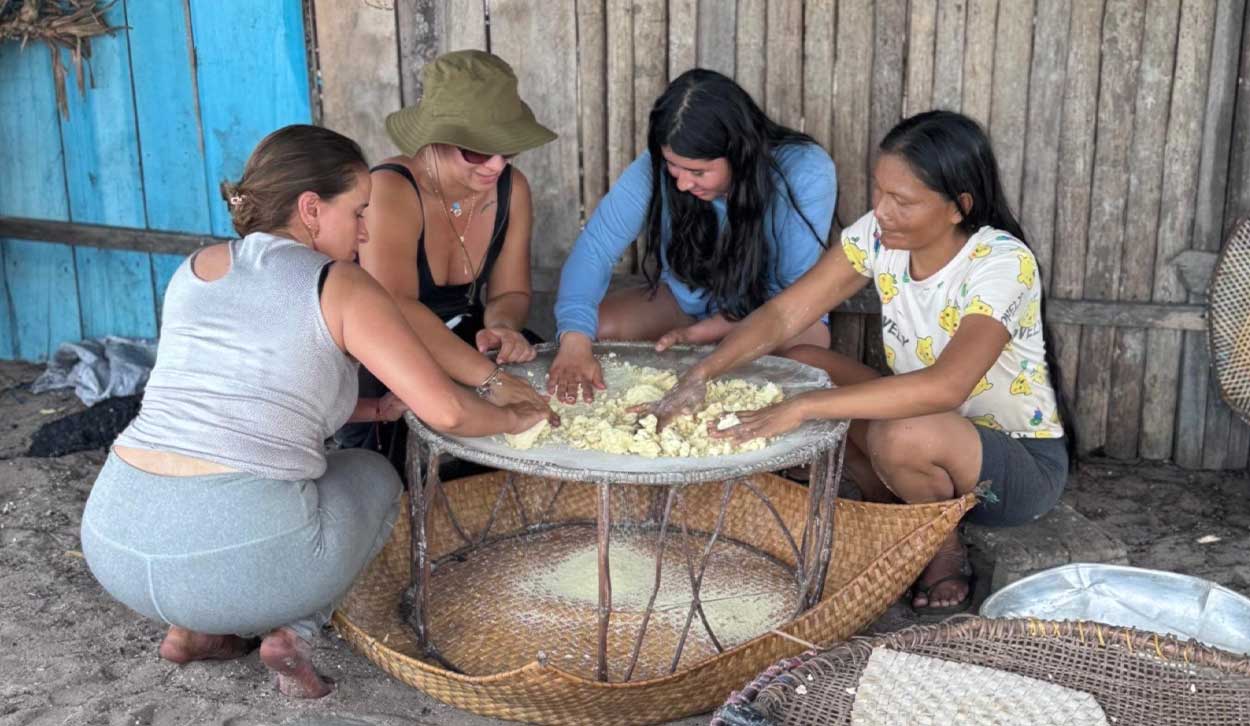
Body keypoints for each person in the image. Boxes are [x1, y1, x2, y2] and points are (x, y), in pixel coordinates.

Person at [79, 125, 554, 698]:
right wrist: (514, 416)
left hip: (115, 542)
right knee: (372, 475)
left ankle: (192, 629)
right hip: (237, 556)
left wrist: (373, 406)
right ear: (310, 209)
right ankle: (293, 632)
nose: (365, 229)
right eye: (356, 212)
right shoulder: (341, 283)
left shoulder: (196, 268)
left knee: (274, 476)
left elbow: (237, 394)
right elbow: (449, 414)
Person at [643, 110, 1073, 614]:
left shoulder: (1001, 262)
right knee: (802, 362)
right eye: (878, 191)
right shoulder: (877, 236)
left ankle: (943, 546)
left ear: (959, 207)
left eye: (902, 201)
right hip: (929, 432)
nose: (882, 211)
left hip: (1014, 469)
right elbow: (785, 315)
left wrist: (807, 407)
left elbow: (947, 387)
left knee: (895, 432)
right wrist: (701, 373)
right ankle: (894, 505)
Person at [547, 68, 838, 404]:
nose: (682, 183)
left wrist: (706, 335)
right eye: (673, 167)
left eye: (698, 172)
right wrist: (574, 340)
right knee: (594, 330)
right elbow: (595, 249)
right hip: (687, 304)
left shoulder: (804, 171)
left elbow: (791, 298)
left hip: (778, 315)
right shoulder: (657, 164)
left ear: (739, 152)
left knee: (802, 360)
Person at [338, 50, 556, 472]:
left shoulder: (514, 188)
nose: (495, 165)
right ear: (436, 137)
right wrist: (490, 380)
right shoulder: (392, 189)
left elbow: (510, 291)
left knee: (551, 416)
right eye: (477, 153)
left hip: (472, 345)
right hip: (396, 351)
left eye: (507, 151)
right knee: (423, 463)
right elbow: (396, 308)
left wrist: (504, 327)